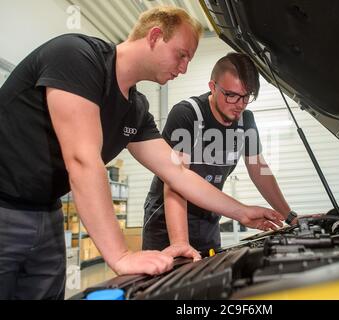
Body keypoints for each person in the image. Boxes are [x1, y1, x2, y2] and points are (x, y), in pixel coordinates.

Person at [0, 7, 283, 300]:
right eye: (181, 55)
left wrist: (242, 212)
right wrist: (121, 255)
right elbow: (83, 161)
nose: (184, 68)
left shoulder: (135, 111)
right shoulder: (77, 57)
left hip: (47, 211)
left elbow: (177, 173)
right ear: (155, 36)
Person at [142, 53, 298, 260]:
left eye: (246, 96)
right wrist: (180, 242)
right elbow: (175, 181)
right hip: (167, 225)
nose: (240, 104)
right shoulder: (188, 114)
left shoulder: (246, 121)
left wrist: (290, 217)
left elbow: (260, 171)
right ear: (213, 87)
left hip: (208, 221)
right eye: (232, 95)